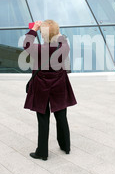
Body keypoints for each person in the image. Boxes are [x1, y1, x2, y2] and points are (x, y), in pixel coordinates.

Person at [23, 20, 77, 161]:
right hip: (59, 85)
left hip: (41, 86)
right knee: (61, 116)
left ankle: (42, 152)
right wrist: (54, 31)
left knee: (43, 118)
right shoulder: (64, 46)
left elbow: (26, 44)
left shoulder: (38, 49)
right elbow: (61, 37)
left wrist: (34, 28)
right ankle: (66, 146)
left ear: (43, 34)